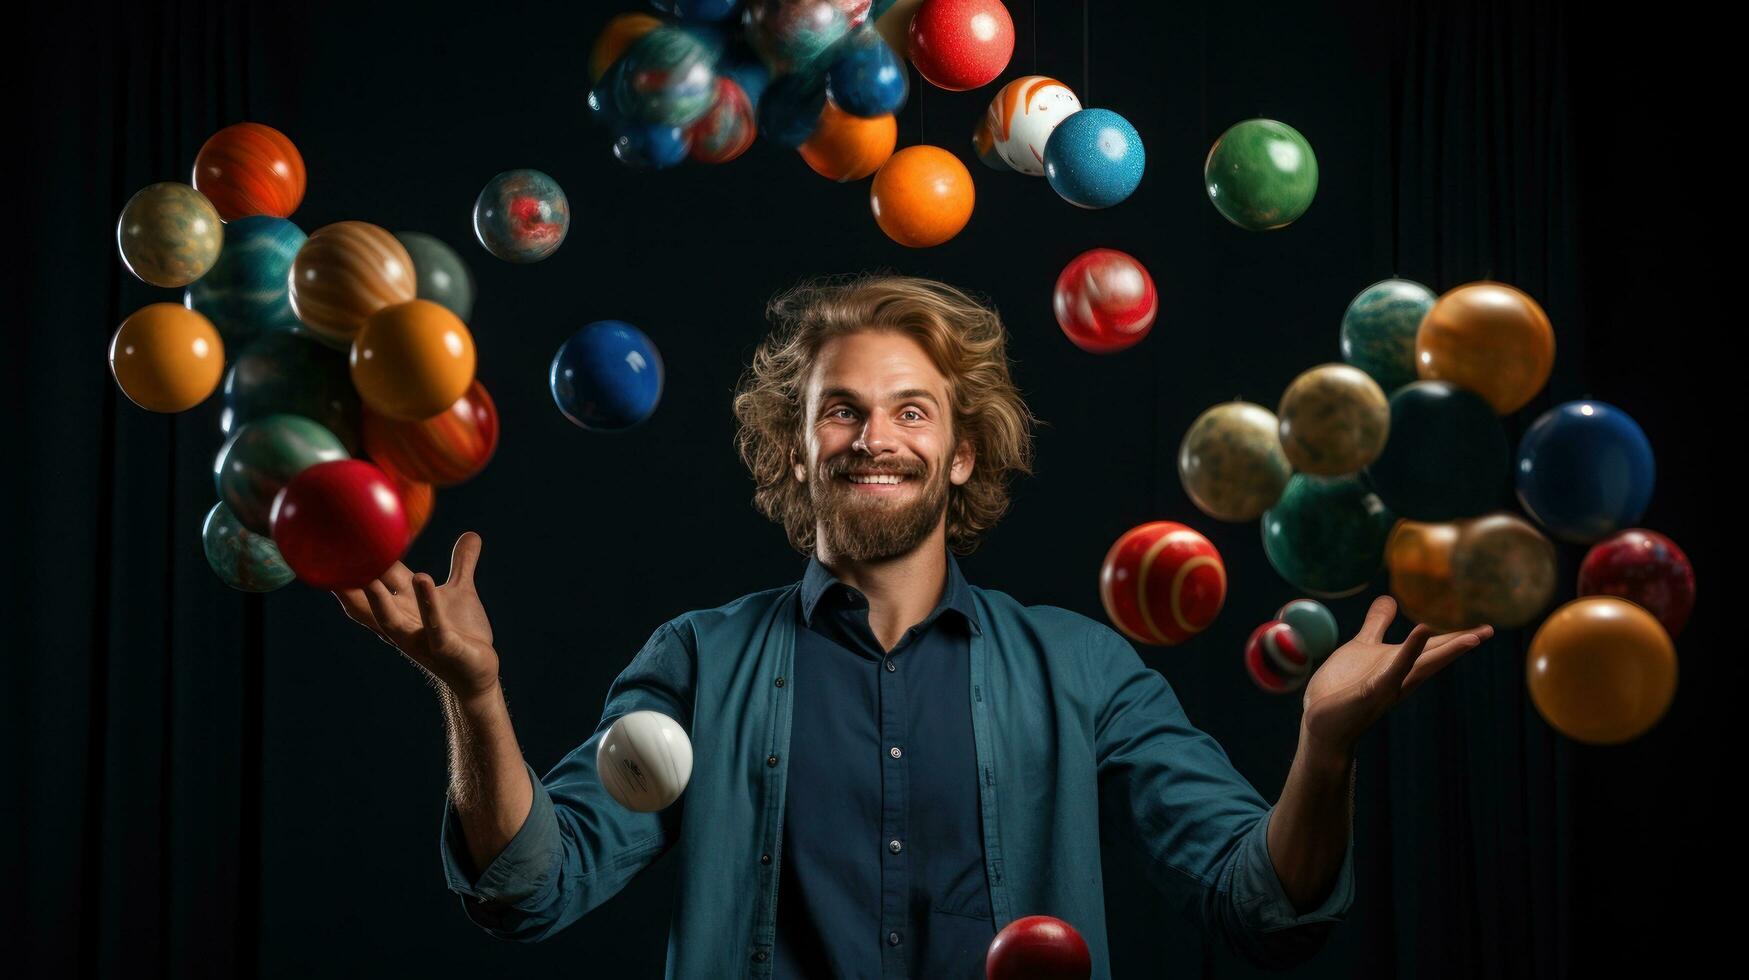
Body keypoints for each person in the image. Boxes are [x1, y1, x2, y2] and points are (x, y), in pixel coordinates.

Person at [335, 274, 1493, 979]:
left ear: (962, 447)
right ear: (797, 447)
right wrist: (473, 695)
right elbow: (533, 887)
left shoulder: (1082, 666)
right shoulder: (696, 658)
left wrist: (1325, 749)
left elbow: (1262, 907)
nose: (871, 436)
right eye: (839, 409)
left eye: (910, 409)